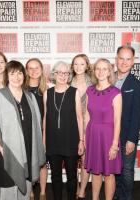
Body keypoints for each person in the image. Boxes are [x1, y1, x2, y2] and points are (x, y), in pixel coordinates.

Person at [0, 60, 46, 200]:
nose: (17, 77)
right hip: (7, 153)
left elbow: (37, 127)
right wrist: (2, 148)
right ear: (6, 76)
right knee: (8, 191)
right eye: (12, 73)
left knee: (26, 190)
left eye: (20, 73)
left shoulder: (30, 97)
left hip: (29, 150)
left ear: (24, 75)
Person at [43, 61, 84, 200]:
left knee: (72, 176)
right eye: (60, 72)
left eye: (66, 73)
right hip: (52, 141)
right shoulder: (47, 93)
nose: (63, 75)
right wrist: (44, 141)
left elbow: (80, 118)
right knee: (55, 176)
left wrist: (81, 140)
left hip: (71, 140)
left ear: (69, 75)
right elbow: (45, 119)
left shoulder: (74, 92)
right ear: (54, 74)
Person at [85, 58, 122, 200]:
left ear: (109, 72)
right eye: (98, 68)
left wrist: (114, 145)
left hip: (108, 136)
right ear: (94, 71)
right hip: (92, 134)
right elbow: (87, 116)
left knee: (108, 173)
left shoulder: (116, 92)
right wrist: (84, 138)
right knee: (95, 172)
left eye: (104, 69)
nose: (101, 72)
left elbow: (118, 121)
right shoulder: (89, 90)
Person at [113, 45, 140, 200]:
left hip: (126, 137)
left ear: (133, 62)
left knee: (126, 171)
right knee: (114, 171)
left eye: (128, 59)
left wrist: (132, 139)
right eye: (121, 58)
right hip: (110, 136)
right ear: (116, 59)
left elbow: (137, 115)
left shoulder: (136, 84)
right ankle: (116, 196)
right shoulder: (107, 80)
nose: (124, 62)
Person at [25, 58, 48, 200]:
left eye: (37, 67)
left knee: (42, 162)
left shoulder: (48, 88)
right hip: (27, 131)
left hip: (45, 131)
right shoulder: (21, 89)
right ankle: (30, 191)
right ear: (26, 71)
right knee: (29, 161)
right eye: (30, 68)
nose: (34, 71)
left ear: (41, 69)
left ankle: (43, 192)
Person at [70, 54, 92, 200]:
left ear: (87, 66)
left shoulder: (92, 84)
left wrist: (83, 133)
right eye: (76, 64)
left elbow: (91, 110)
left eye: (82, 64)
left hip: (87, 125)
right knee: (71, 160)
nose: (78, 67)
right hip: (69, 125)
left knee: (85, 160)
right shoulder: (67, 81)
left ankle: (82, 190)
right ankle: (75, 188)